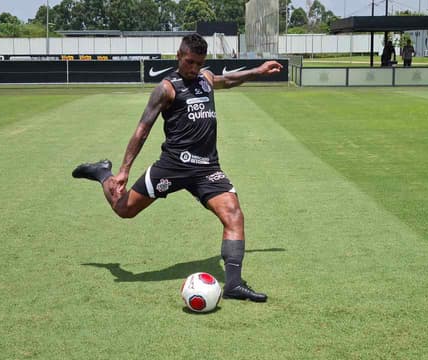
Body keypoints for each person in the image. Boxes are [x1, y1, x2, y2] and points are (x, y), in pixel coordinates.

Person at [72, 33, 283, 302]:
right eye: (190, 62)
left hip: (207, 169)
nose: (194, 68)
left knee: (234, 215)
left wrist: (259, 71)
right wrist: (123, 169)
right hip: (172, 166)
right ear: (179, 56)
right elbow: (142, 130)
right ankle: (103, 172)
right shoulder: (166, 88)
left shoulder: (205, 79)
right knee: (124, 209)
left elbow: (228, 80)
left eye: (199, 63)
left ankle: (233, 284)